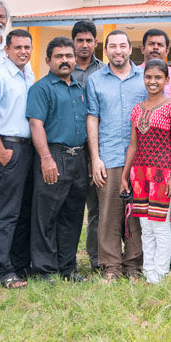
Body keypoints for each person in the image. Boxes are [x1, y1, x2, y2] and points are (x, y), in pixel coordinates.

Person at [87, 30, 147, 282]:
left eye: (122, 45)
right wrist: (95, 157)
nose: (118, 50)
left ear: (130, 49)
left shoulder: (145, 78)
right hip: (109, 156)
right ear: (106, 50)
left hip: (141, 158)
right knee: (109, 215)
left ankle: (133, 265)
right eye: (113, 46)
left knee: (137, 214)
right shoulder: (95, 80)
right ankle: (111, 266)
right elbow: (93, 118)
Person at [27, 37, 89, 281]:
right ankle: (44, 269)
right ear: (48, 60)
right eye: (59, 56)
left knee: (72, 216)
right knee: (46, 216)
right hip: (54, 156)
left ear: (75, 59)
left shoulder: (79, 88)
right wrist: (46, 158)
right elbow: (36, 123)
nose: (65, 60)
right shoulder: (41, 88)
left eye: (69, 56)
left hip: (78, 158)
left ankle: (67, 268)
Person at [0, 29, 36, 288]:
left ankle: (19, 263)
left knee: (24, 211)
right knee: (6, 211)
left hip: (28, 149)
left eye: (27, 47)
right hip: (8, 147)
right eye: (18, 47)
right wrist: (1, 151)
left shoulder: (28, 74)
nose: (23, 51)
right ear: (7, 50)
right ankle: (1, 269)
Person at [121, 60, 171, 284]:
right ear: (144, 78)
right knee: (145, 227)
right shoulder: (137, 109)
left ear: (167, 80)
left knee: (160, 225)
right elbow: (133, 145)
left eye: (158, 77)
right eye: (148, 77)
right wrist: (124, 175)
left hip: (162, 174)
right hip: (139, 174)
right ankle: (149, 273)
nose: (152, 81)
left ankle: (160, 274)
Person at [71, 20, 103, 270]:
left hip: (96, 150)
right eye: (79, 40)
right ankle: (64, 258)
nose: (84, 45)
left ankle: (96, 258)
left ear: (95, 42)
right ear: (73, 42)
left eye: (88, 40)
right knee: (68, 207)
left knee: (97, 208)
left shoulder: (103, 71)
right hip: (68, 148)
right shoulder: (63, 67)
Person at [141, 29, 171, 95]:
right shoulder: (134, 74)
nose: (156, 47)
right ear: (142, 49)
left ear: (167, 51)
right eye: (151, 44)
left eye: (160, 45)